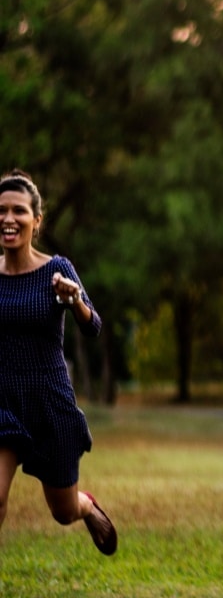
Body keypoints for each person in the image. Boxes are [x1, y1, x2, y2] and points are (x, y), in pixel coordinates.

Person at [0, 169, 116, 556]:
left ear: (36, 220)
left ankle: (87, 507)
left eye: (18, 210)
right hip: (3, 402)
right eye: (1, 210)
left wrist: (75, 301)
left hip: (49, 402)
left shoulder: (57, 270)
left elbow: (93, 327)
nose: (8, 219)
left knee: (62, 511)